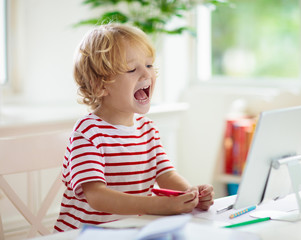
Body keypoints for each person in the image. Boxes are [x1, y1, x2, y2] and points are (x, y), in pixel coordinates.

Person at [54, 23, 214, 232]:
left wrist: (191, 193)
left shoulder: (147, 129)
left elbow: (165, 174)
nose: (146, 75)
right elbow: (97, 196)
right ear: (100, 86)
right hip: (85, 235)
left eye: (149, 65)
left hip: (131, 230)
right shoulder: (88, 133)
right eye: (132, 69)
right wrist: (157, 205)